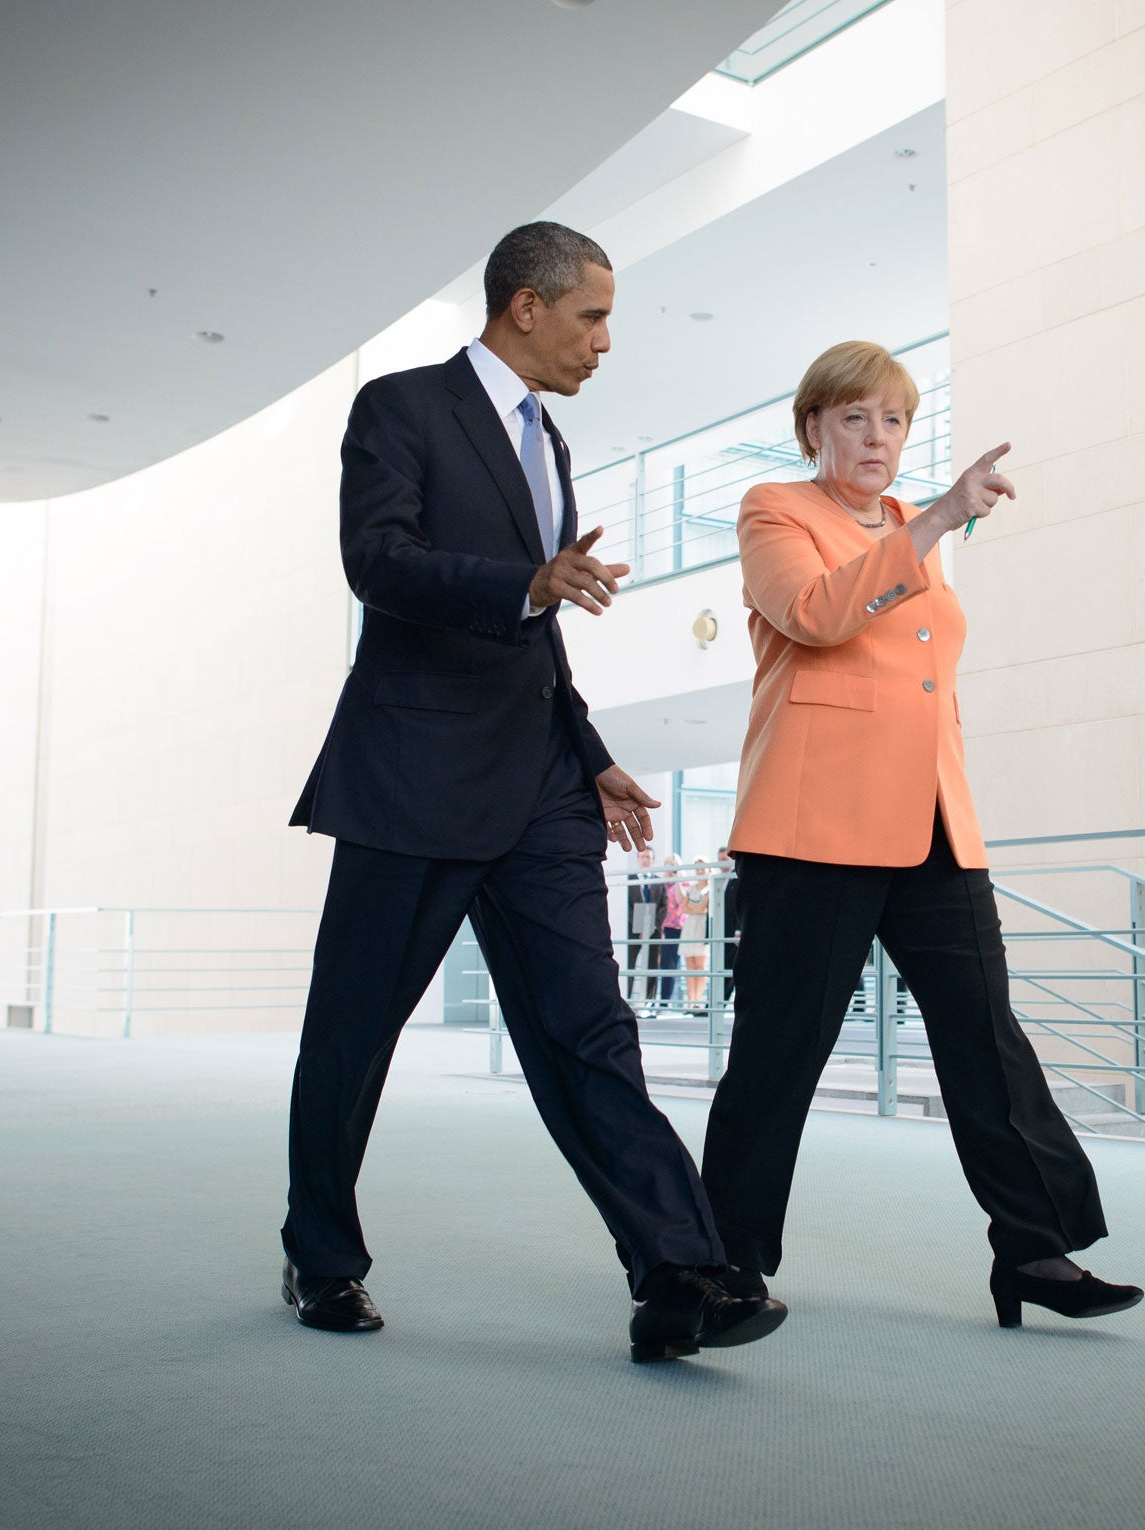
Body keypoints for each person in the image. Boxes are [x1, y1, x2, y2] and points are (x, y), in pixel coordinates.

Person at [281, 222, 785, 1362]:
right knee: (353, 1035)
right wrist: (525, 580)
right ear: (524, 307)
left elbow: (540, 631)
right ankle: (320, 1256)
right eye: (591, 315)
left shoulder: (548, 440)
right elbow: (379, 561)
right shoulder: (400, 408)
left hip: (541, 786)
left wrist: (590, 746)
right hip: (411, 779)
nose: (605, 340)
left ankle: (679, 1271)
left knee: (588, 1032)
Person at [699, 340, 1143, 1326]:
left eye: (892, 419)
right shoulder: (777, 511)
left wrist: (928, 522)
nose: (874, 437)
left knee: (987, 1040)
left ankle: (1032, 1250)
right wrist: (943, 516)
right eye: (853, 417)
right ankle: (719, 1266)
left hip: (934, 823)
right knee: (780, 1055)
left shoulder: (906, 525)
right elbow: (814, 615)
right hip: (813, 829)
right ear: (812, 427)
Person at [623, 846, 665, 1004]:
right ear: (637, 859)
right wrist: (639, 927)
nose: (645, 859)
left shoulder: (659, 881)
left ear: (653, 860)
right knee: (630, 964)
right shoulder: (629, 879)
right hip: (632, 930)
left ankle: (648, 1001)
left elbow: (663, 905)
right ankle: (626, 999)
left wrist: (652, 926)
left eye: (648, 857)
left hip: (653, 931)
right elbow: (626, 904)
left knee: (652, 966)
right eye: (642, 856)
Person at [681, 858, 712, 1012]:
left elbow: (703, 908)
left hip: (702, 928)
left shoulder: (711, 888)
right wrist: (696, 908)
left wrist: (693, 908)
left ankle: (698, 1000)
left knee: (700, 966)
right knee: (690, 966)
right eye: (697, 869)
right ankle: (690, 1002)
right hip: (689, 927)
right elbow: (684, 908)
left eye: (702, 868)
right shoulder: (691, 888)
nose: (700, 871)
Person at [656, 853, 685, 1006]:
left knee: (670, 963)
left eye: (674, 865)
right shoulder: (662, 884)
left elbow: (681, 900)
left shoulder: (683, 882)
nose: (671, 868)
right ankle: (656, 999)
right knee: (661, 962)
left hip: (678, 928)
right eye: (668, 865)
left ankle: (665, 1001)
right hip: (663, 927)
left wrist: (678, 878)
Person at [715, 846, 743, 1004]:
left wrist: (739, 929)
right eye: (719, 860)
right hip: (720, 931)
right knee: (719, 964)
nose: (722, 863)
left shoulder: (737, 878)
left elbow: (741, 904)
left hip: (734, 932)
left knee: (730, 967)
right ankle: (717, 1000)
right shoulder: (718, 880)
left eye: (724, 859)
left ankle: (721, 1001)